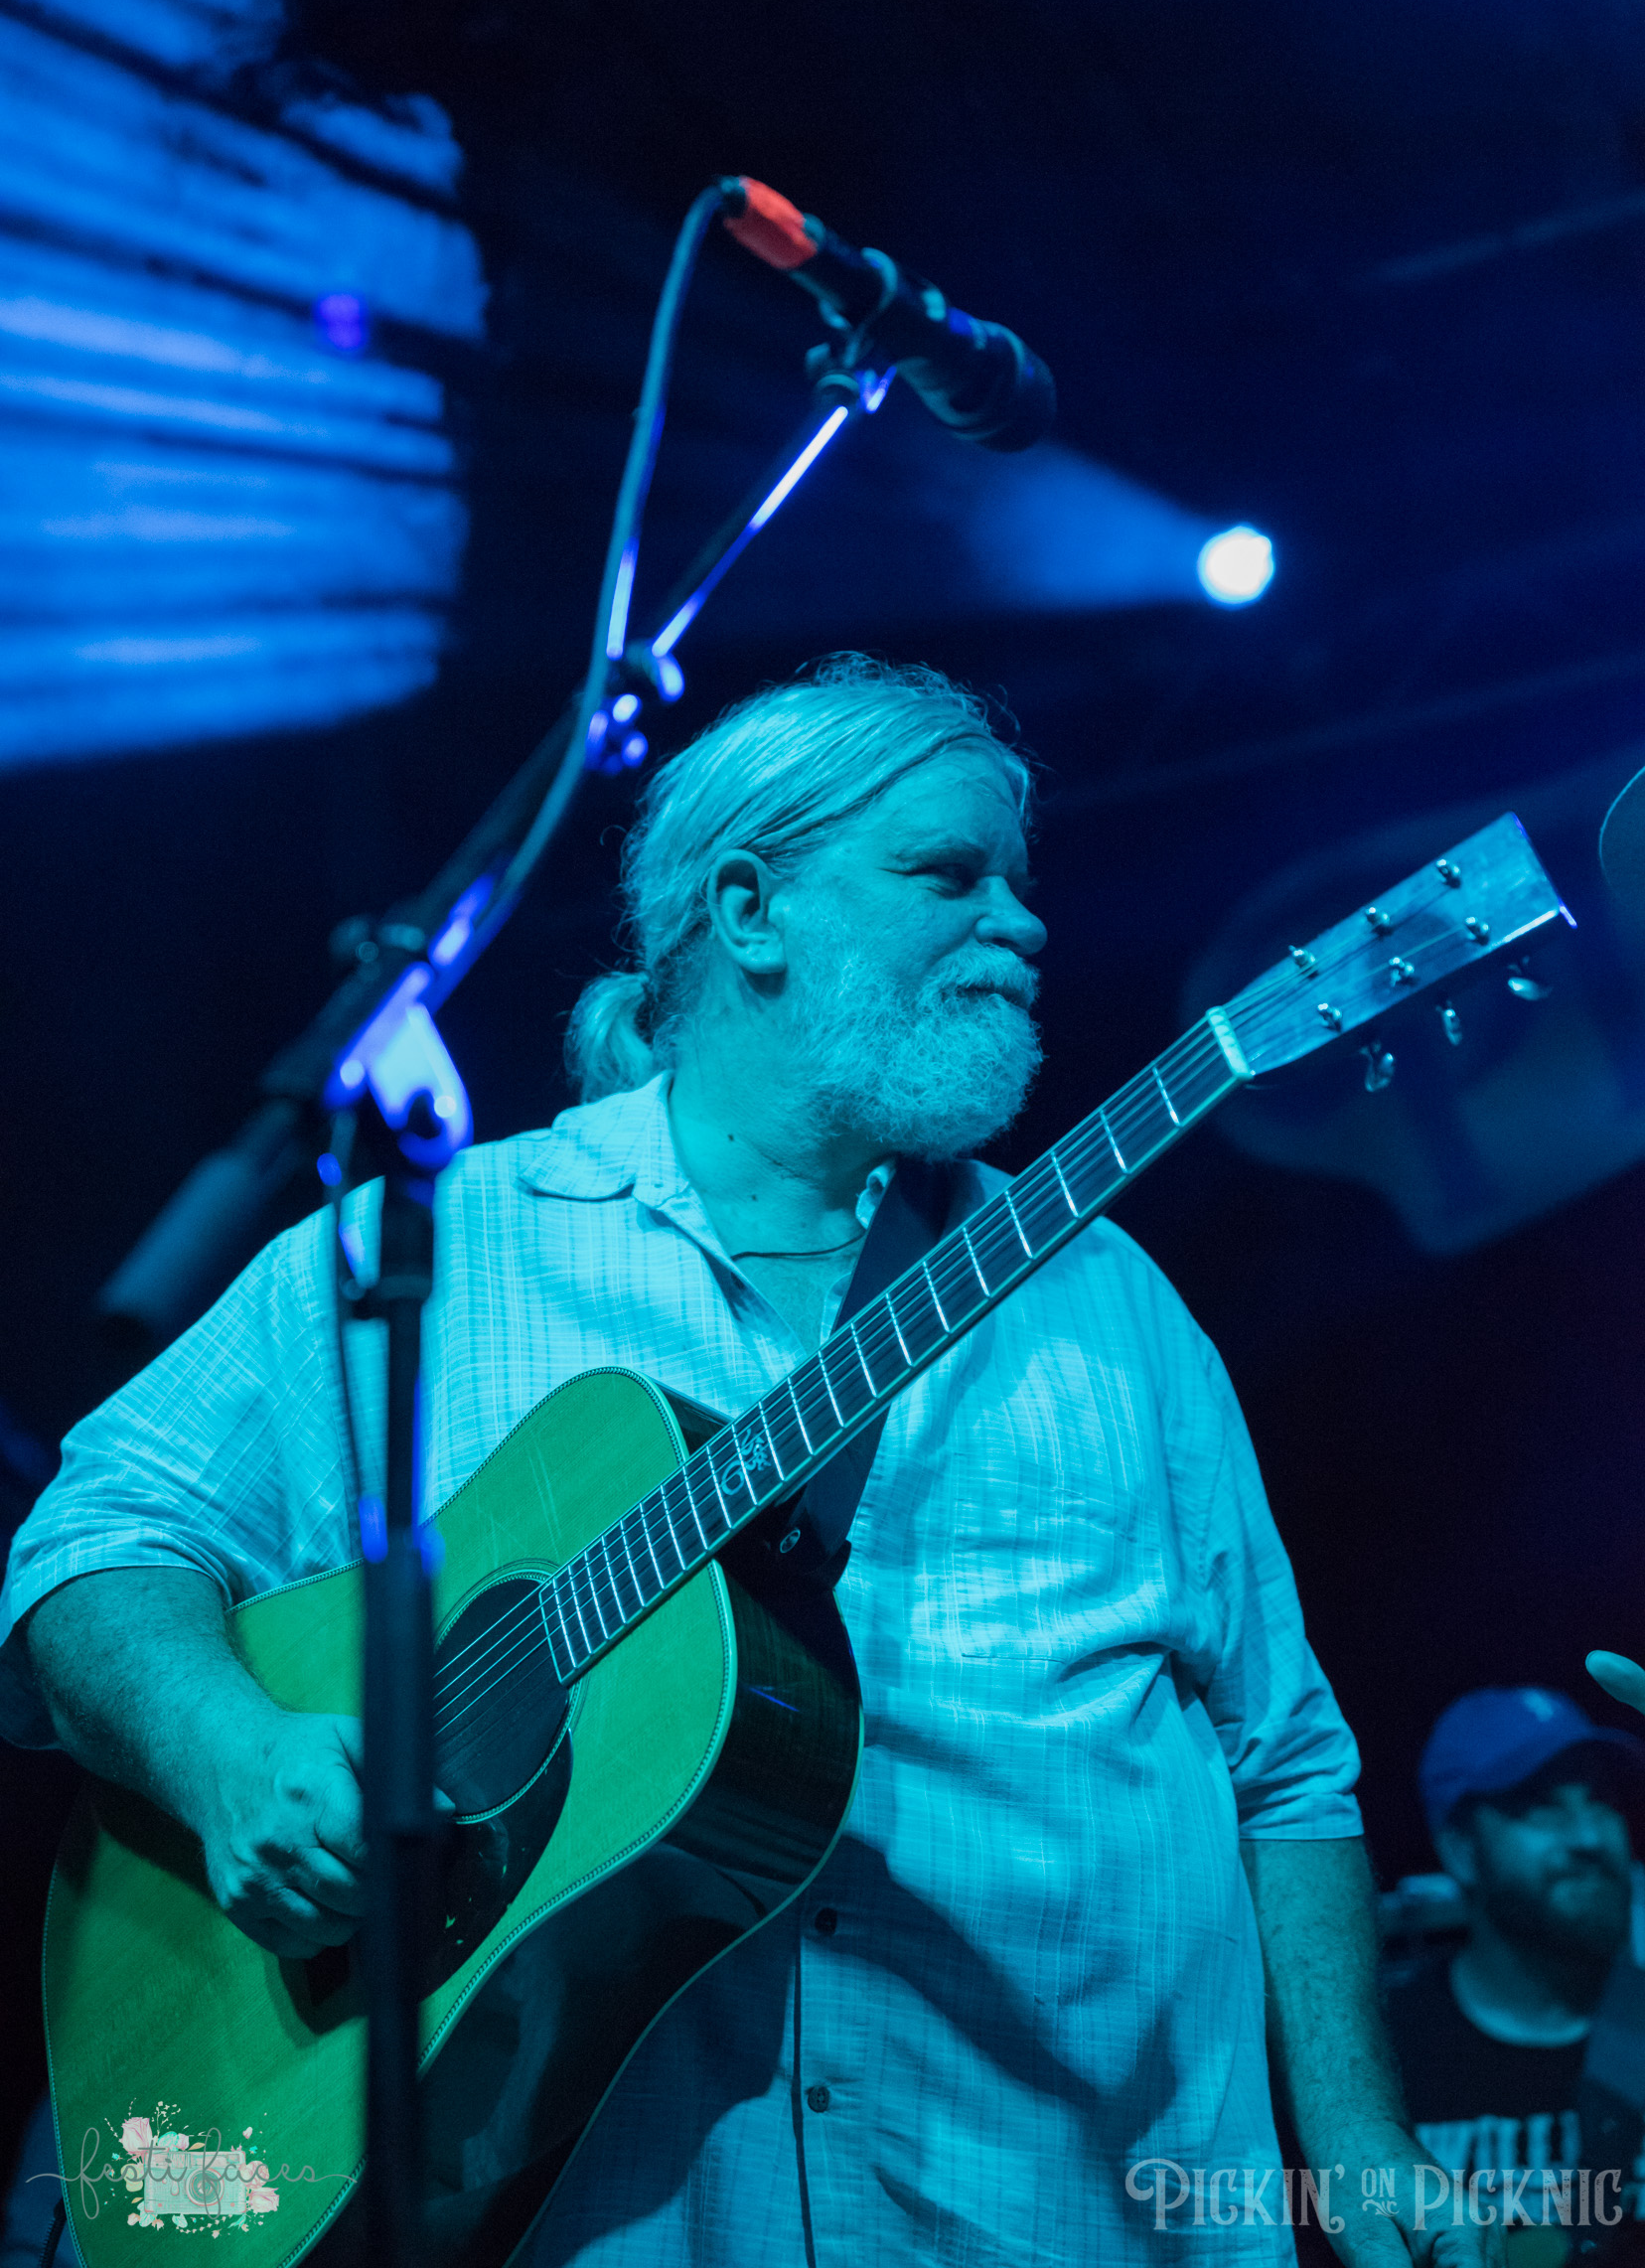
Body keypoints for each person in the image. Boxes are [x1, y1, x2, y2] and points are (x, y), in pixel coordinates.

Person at [0, 657, 1495, 2268]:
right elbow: (91, 1541)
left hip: (1064, 2216)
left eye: (1019, 881)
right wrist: (227, 1754)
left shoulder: (1115, 1310)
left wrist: (1359, 2140)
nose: (1023, 923)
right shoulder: (433, 1250)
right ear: (749, 911)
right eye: (950, 874)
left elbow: (1285, 1761)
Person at [1383, 1688, 1645, 2252]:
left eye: (1602, 1801)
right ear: (1461, 1850)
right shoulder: (1374, 2052)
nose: (1588, 1836)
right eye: (1540, 1806)